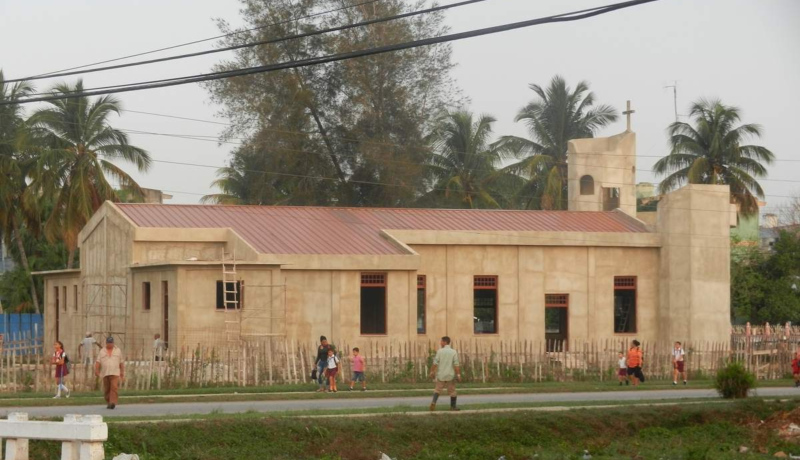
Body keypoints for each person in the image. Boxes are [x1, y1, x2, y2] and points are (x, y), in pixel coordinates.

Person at [429, 336, 461, 411]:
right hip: (450, 375)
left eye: (441, 341)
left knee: (437, 390)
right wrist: (458, 375)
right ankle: (453, 407)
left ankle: (433, 402)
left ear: (445, 342)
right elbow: (456, 365)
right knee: (452, 391)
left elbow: (435, 363)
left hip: (441, 375)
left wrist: (432, 371)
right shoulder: (453, 352)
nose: (440, 343)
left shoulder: (440, 351)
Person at [95, 336, 125, 409]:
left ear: (113, 343)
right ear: (106, 343)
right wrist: (97, 370)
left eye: (111, 343)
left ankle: (112, 402)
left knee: (114, 388)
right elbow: (98, 362)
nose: (110, 344)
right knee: (107, 389)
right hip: (105, 373)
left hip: (115, 372)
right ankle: (109, 402)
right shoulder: (102, 351)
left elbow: (121, 362)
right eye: (108, 343)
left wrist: (122, 372)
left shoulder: (118, 350)